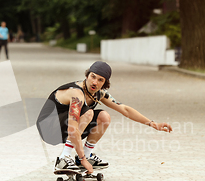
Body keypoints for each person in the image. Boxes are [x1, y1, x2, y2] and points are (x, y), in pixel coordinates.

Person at [37, 61, 173, 174]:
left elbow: (124, 109)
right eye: (93, 76)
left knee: (104, 116)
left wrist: (152, 124)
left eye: (100, 80)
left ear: (105, 83)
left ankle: (87, 155)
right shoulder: (76, 93)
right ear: (87, 75)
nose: (95, 82)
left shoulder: (99, 94)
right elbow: (72, 129)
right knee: (89, 113)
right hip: (49, 128)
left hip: (65, 128)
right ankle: (64, 157)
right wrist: (82, 159)